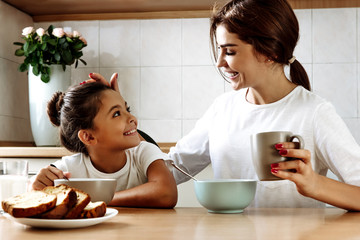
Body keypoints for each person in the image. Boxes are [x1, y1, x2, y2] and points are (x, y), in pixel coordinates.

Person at [89, 0, 360, 211]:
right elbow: (172, 169)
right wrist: (116, 122)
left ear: (270, 52)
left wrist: (314, 184)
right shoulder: (223, 108)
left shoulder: (314, 113)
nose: (219, 62)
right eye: (219, 50)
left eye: (229, 51)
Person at [31, 82, 177, 208]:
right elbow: (35, 197)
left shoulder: (144, 152)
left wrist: (97, 200)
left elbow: (166, 193)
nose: (132, 118)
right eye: (116, 114)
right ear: (88, 136)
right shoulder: (70, 168)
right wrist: (35, 186)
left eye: (127, 109)